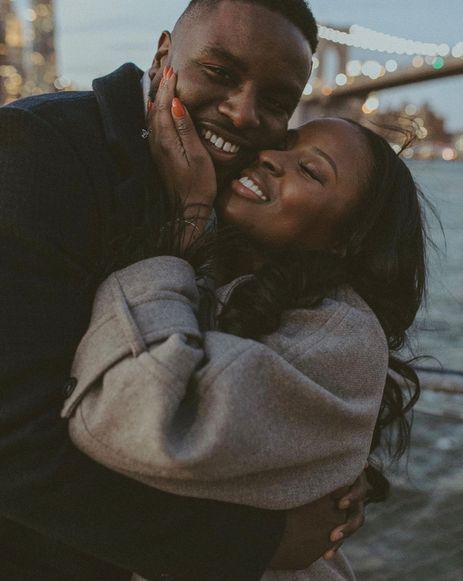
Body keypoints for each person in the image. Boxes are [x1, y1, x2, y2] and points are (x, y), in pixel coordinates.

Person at [0, 1, 368, 579]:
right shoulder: (36, 152)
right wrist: (260, 540)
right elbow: (12, 443)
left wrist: (307, 468)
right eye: (220, 74)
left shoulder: (233, 194)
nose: (244, 114)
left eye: (275, 102)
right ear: (163, 55)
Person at [62, 70, 426, 580]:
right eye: (286, 143)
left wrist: (186, 217)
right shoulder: (212, 274)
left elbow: (136, 421)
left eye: (311, 171)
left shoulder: (344, 334)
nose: (270, 157)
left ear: (344, 241)